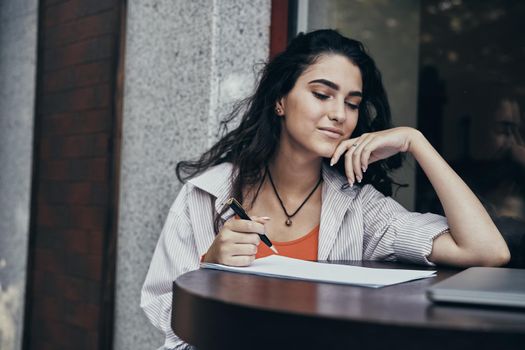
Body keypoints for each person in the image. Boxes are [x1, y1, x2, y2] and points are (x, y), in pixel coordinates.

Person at [141, 29, 510, 349]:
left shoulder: (361, 209)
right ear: (280, 101)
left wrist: (416, 142)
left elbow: (486, 250)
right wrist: (208, 268)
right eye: (322, 94)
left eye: (352, 104)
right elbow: (163, 310)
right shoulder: (206, 194)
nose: (339, 114)